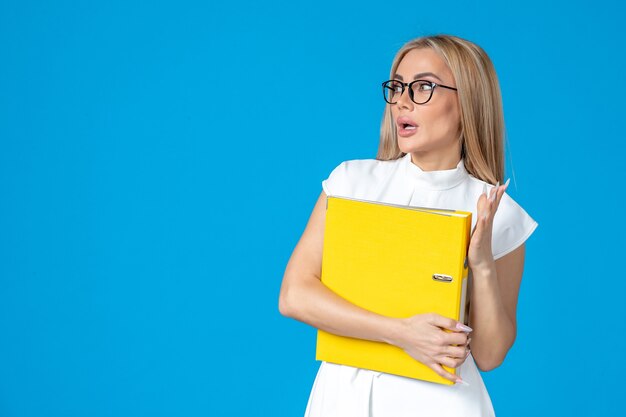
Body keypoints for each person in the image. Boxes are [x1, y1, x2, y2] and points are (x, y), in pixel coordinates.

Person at [278, 34, 538, 417]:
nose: (402, 100)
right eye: (398, 87)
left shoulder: (499, 212)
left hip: (441, 404)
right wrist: (402, 333)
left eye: (423, 87)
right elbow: (294, 295)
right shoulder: (351, 183)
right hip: (342, 399)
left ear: (467, 101)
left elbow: (490, 355)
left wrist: (480, 263)